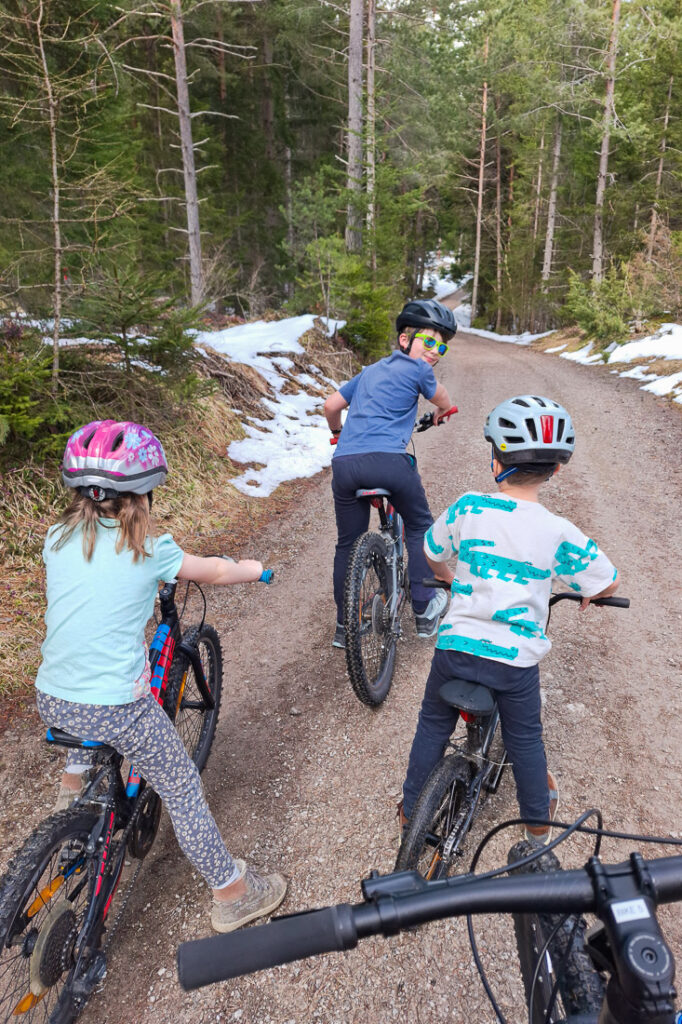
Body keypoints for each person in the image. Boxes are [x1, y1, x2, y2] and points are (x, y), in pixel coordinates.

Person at [35, 419, 287, 933]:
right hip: (116, 707)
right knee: (181, 785)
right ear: (142, 494)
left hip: (52, 695)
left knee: (86, 697)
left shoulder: (55, 536)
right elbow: (217, 571)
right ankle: (233, 894)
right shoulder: (149, 549)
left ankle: (71, 791)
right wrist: (252, 568)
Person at [399, 395, 619, 846]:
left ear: (495, 461)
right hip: (513, 664)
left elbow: (432, 550)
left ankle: (410, 808)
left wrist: (448, 577)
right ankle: (537, 827)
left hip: (455, 648)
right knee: (525, 740)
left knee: (432, 725)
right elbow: (608, 580)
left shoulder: (469, 507)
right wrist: (591, 594)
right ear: (556, 470)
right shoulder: (558, 531)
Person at [324, 298, 457, 648]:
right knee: (420, 525)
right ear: (404, 340)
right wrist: (441, 412)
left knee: (347, 543)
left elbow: (331, 405)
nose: (436, 351)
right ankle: (425, 610)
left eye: (441, 346)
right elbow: (443, 399)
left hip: (345, 465)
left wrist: (337, 433)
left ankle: (345, 625)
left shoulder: (368, 372)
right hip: (388, 462)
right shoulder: (418, 370)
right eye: (429, 341)